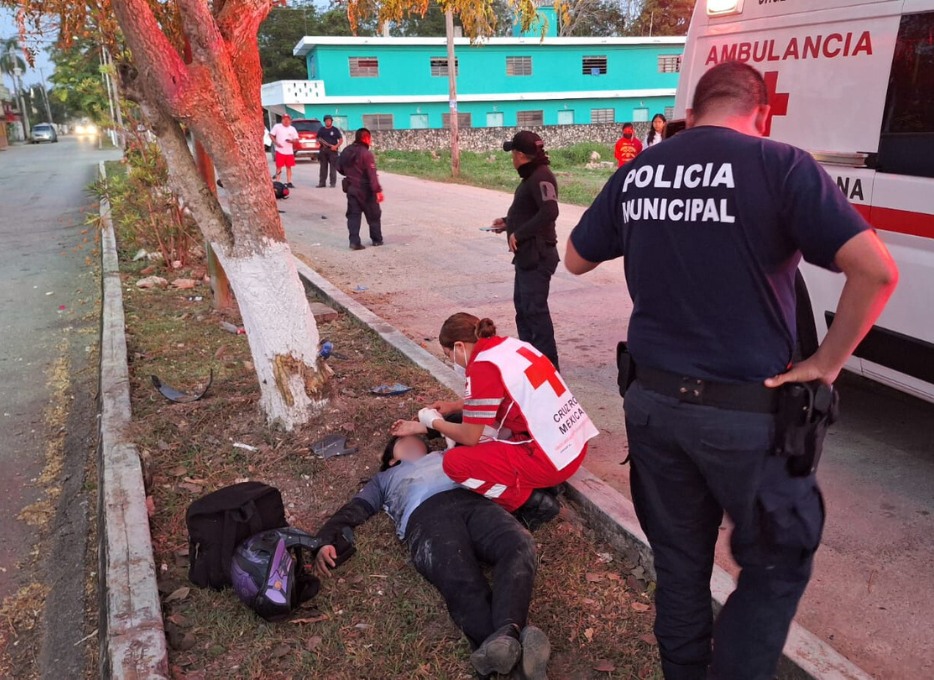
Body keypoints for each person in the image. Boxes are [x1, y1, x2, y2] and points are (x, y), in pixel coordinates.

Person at [564, 62, 899, 680]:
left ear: (691, 113)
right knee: (777, 562)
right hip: (748, 417)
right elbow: (876, 272)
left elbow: (575, 258)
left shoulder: (639, 170)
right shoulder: (783, 165)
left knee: (680, 565)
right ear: (763, 112)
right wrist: (824, 364)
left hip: (655, 405)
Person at [313, 432, 553, 679]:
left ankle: (507, 633)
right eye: (401, 443)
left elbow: (474, 429)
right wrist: (325, 540)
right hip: (426, 517)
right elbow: (353, 510)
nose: (410, 441)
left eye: (415, 440)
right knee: (459, 576)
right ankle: (514, 662)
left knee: (518, 543)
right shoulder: (383, 479)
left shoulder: (447, 455)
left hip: (475, 504)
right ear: (392, 460)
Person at [392, 313, 598, 532]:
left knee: (455, 463)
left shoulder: (482, 366)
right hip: (573, 446)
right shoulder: (510, 346)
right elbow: (502, 393)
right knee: (485, 427)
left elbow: (470, 437)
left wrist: (434, 422)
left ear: (459, 346)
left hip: (550, 461)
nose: (452, 361)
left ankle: (532, 503)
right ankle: (543, 484)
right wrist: (454, 406)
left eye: (448, 354)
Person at [487, 130, 561, 368]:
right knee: (524, 311)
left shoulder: (541, 176)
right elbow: (531, 212)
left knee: (535, 314)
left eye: (513, 153)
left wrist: (519, 233)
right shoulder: (531, 177)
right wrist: (508, 224)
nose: (512, 159)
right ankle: (531, 366)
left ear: (519, 154)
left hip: (538, 255)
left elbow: (550, 212)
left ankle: (549, 371)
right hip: (528, 256)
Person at [337, 128, 384, 251]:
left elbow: (339, 167)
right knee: (373, 215)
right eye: (370, 138)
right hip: (366, 190)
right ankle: (376, 239)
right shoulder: (366, 154)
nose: (370, 141)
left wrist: (350, 173)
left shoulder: (346, 151)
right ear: (366, 138)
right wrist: (377, 191)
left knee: (353, 215)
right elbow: (372, 174)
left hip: (352, 188)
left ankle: (354, 242)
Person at [269, 114, 299, 187]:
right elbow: (271, 135)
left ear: (290, 121)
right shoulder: (277, 127)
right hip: (280, 150)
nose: (286, 121)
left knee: (289, 166)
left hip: (289, 151)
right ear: (282, 120)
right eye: (284, 119)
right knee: (279, 166)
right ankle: (278, 182)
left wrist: (291, 141)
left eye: (287, 120)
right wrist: (276, 143)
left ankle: (289, 182)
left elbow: (296, 139)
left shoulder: (292, 129)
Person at [316, 114, 343, 188]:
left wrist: (336, 146)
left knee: (333, 168)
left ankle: (332, 183)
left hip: (332, 150)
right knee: (323, 168)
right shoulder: (321, 129)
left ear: (331, 121)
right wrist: (318, 142)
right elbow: (318, 138)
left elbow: (341, 139)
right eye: (327, 121)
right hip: (323, 150)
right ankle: (322, 183)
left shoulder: (335, 129)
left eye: (329, 120)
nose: (328, 122)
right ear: (324, 121)